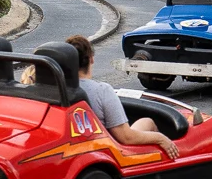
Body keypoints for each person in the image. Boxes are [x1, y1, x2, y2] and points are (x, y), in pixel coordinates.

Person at [22, 35, 179, 159]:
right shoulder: (102, 91)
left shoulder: (43, 90)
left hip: (62, 144)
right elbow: (126, 137)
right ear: (91, 59)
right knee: (148, 122)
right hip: (103, 151)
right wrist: (160, 138)